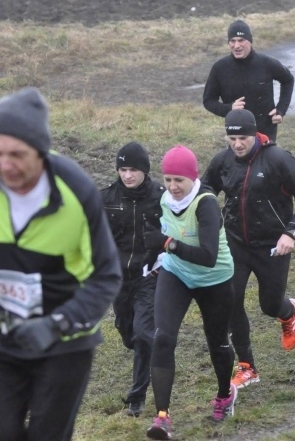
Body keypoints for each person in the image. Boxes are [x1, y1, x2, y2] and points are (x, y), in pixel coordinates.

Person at [0, 87, 121, 441]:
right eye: (0, 153)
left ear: (41, 152)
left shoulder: (76, 193)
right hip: (5, 337)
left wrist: (55, 324)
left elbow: (106, 276)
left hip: (65, 342)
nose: (7, 165)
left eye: (18, 154)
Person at [202, 109, 295, 389]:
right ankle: (247, 366)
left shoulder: (279, 159)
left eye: (243, 137)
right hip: (235, 244)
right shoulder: (223, 160)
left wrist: (292, 232)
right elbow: (205, 189)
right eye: (232, 138)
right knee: (230, 302)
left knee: (269, 305)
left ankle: (288, 312)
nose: (237, 144)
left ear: (255, 134)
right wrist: (210, 218)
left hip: (272, 246)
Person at [145, 145, 236, 439]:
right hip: (177, 273)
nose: (172, 187)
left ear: (192, 178)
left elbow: (208, 256)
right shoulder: (163, 198)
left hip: (215, 277)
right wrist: (154, 255)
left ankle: (225, 394)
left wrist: (167, 244)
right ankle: (161, 418)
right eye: (168, 179)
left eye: (179, 181)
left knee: (217, 341)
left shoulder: (206, 203)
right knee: (163, 337)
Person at [101, 142, 165, 418]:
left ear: (145, 170)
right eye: (123, 169)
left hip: (149, 276)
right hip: (118, 278)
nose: (127, 175)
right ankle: (137, 343)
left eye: (133, 170)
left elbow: (179, 229)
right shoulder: (104, 198)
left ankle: (136, 396)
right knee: (128, 332)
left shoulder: (162, 197)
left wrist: (163, 261)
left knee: (143, 334)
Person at [203, 19, 294, 142]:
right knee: (240, 161)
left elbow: (288, 80)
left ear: (250, 41)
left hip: (265, 131)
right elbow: (208, 101)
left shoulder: (267, 63)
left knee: (265, 161)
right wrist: (229, 109)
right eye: (232, 41)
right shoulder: (220, 68)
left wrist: (281, 109)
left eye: (241, 40)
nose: (236, 46)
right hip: (237, 135)